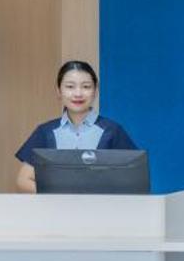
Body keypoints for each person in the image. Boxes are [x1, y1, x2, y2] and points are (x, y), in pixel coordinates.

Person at [15, 60, 138, 193]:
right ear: (59, 91)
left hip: (101, 206)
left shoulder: (112, 131)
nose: (78, 93)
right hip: (56, 206)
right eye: (70, 86)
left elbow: (134, 179)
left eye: (86, 86)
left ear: (96, 91)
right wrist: (59, 196)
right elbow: (23, 180)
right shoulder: (45, 132)